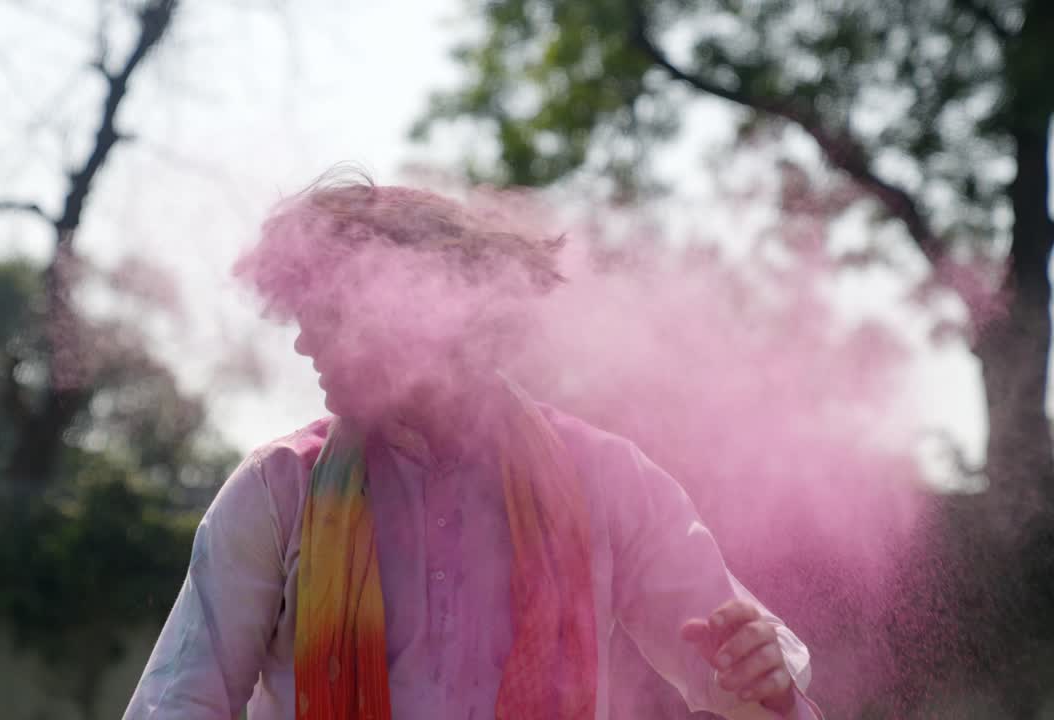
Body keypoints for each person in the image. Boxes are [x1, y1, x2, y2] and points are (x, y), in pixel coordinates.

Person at [123, 177, 825, 720]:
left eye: (327, 315)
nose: (303, 343)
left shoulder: (606, 479)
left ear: (423, 313)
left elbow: (745, 680)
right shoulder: (277, 489)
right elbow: (177, 704)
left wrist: (763, 680)